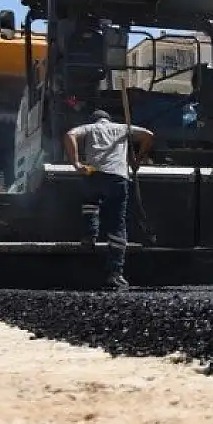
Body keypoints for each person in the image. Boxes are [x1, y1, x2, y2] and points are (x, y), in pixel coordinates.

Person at [63, 109, 153, 290]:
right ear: (108, 119)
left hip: (94, 174)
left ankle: (89, 236)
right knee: (117, 225)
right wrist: (138, 160)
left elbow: (69, 134)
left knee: (90, 203)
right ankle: (115, 273)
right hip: (118, 178)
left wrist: (77, 163)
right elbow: (148, 135)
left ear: (94, 120)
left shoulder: (89, 128)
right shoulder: (122, 128)